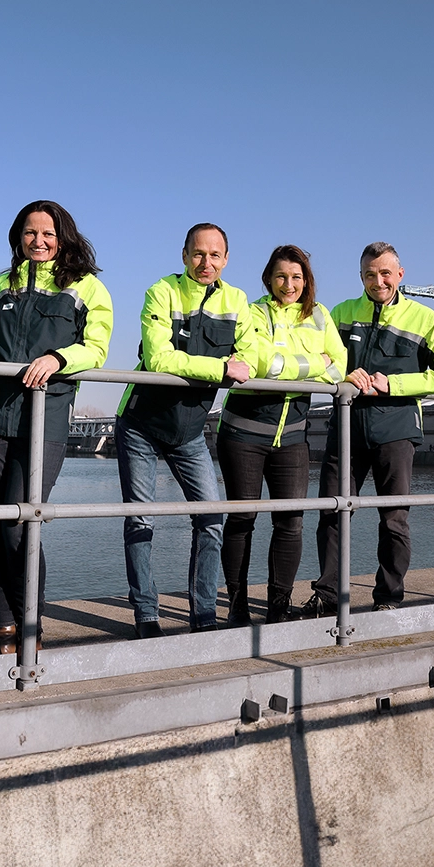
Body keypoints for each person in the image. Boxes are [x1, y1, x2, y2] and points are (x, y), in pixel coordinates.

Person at [0, 200, 113, 653]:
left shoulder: (86, 288)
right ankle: (4, 626)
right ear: (18, 237)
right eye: (30, 233)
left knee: (21, 522)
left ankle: (31, 624)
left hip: (45, 416)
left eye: (48, 234)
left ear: (63, 238)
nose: (39, 241)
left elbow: (97, 348)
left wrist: (58, 359)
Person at [302, 242, 434, 615]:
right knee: (331, 512)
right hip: (345, 427)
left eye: (386, 273)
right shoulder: (341, 313)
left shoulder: (425, 320)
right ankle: (327, 597)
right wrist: (343, 373)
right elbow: (319, 357)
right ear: (361, 277)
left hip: (396, 430)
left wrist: (395, 384)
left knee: (394, 518)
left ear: (400, 274)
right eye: (371, 274)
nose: (379, 281)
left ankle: (388, 598)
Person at [114, 223, 258, 637]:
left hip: (191, 429)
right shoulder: (162, 291)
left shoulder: (237, 302)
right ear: (184, 255)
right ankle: (146, 616)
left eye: (215, 255)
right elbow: (160, 359)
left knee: (211, 518)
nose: (206, 262)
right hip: (140, 422)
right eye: (198, 254)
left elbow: (248, 358)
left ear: (226, 260)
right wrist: (220, 368)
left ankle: (204, 614)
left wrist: (231, 365)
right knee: (141, 520)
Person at [217, 245, 345, 625]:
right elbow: (259, 364)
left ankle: (277, 607)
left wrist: (304, 366)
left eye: (296, 277)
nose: (289, 285)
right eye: (281, 277)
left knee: (290, 523)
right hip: (243, 433)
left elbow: (339, 367)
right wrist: (314, 365)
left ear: (306, 280)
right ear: (268, 279)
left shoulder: (320, 316)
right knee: (242, 520)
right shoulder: (251, 312)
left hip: (293, 437)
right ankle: (237, 606)